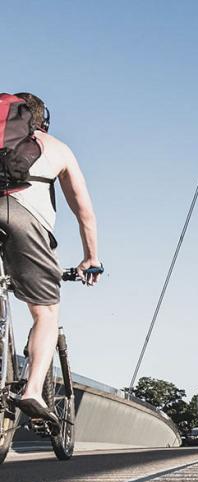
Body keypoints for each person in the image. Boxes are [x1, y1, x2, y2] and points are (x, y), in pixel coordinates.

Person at [0, 93, 101, 423]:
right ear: (43, 120)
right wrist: (91, 258)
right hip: (24, 222)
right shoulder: (58, 148)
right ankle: (30, 390)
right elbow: (84, 211)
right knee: (45, 312)